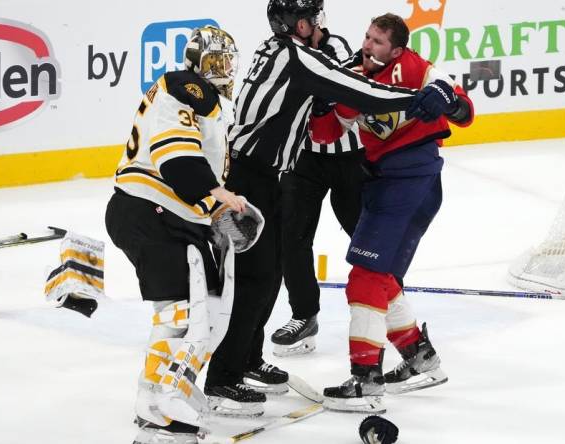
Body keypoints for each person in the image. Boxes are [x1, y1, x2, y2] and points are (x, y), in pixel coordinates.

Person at [204, 0, 456, 417]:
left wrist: (435, 92)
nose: (321, 24)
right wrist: (419, 99)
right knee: (256, 277)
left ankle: (246, 362)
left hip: (266, 175)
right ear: (300, 25)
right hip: (250, 181)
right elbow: (360, 92)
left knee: (270, 275)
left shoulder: (280, 51)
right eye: (314, 18)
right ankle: (222, 380)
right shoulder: (299, 58)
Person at [308, 13, 474, 413]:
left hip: (411, 183)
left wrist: (447, 100)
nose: (367, 46)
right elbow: (326, 134)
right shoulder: (352, 77)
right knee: (380, 277)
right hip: (388, 186)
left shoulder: (415, 68)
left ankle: (366, 382)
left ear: (397, 50)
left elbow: (465, 111)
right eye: (367, 37)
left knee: (365, 278)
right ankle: (420, 359)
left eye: (378, 42)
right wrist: (321, 108)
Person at [104, 26, 257, 444]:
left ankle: (160, 392)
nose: (223, 70)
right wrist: (215, 193)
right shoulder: (186, 87)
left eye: (227, 62)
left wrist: (215, 209)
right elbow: (176, 156)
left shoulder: (202, 100)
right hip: (151, 212)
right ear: (198, 65)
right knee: (182, 317)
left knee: (200, 313)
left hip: (166, 215)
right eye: (215, 62)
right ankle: (157, 407)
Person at [270, 25, 365, 358]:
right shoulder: (280, 51)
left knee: (367, 241)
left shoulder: (334, 45)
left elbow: (341, 87)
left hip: (349, 159)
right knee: (291, 237)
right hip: (305, 159)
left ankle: (380, 313)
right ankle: (303, 315)